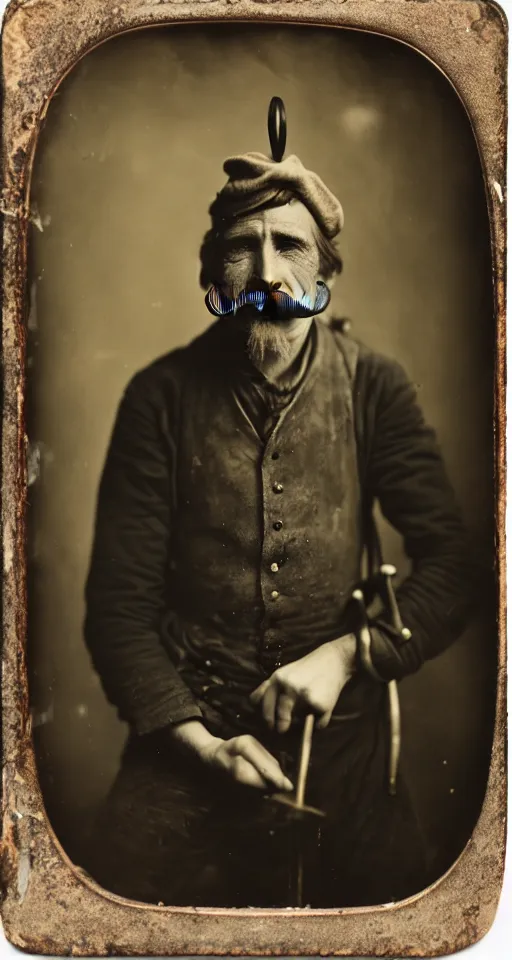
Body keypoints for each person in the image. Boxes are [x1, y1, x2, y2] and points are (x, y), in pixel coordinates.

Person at [83, 148, 472, 908]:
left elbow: (458, 568)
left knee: (394, 916)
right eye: (242, 248)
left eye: (289, 246)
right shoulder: (158, 398)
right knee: (107, 910)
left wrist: (348, 655)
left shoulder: (374, 388)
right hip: (191, 744)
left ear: (323, 274)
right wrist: (202, 746)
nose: (266, 275)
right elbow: (117, 613)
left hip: (345, 752)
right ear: (211, 280)